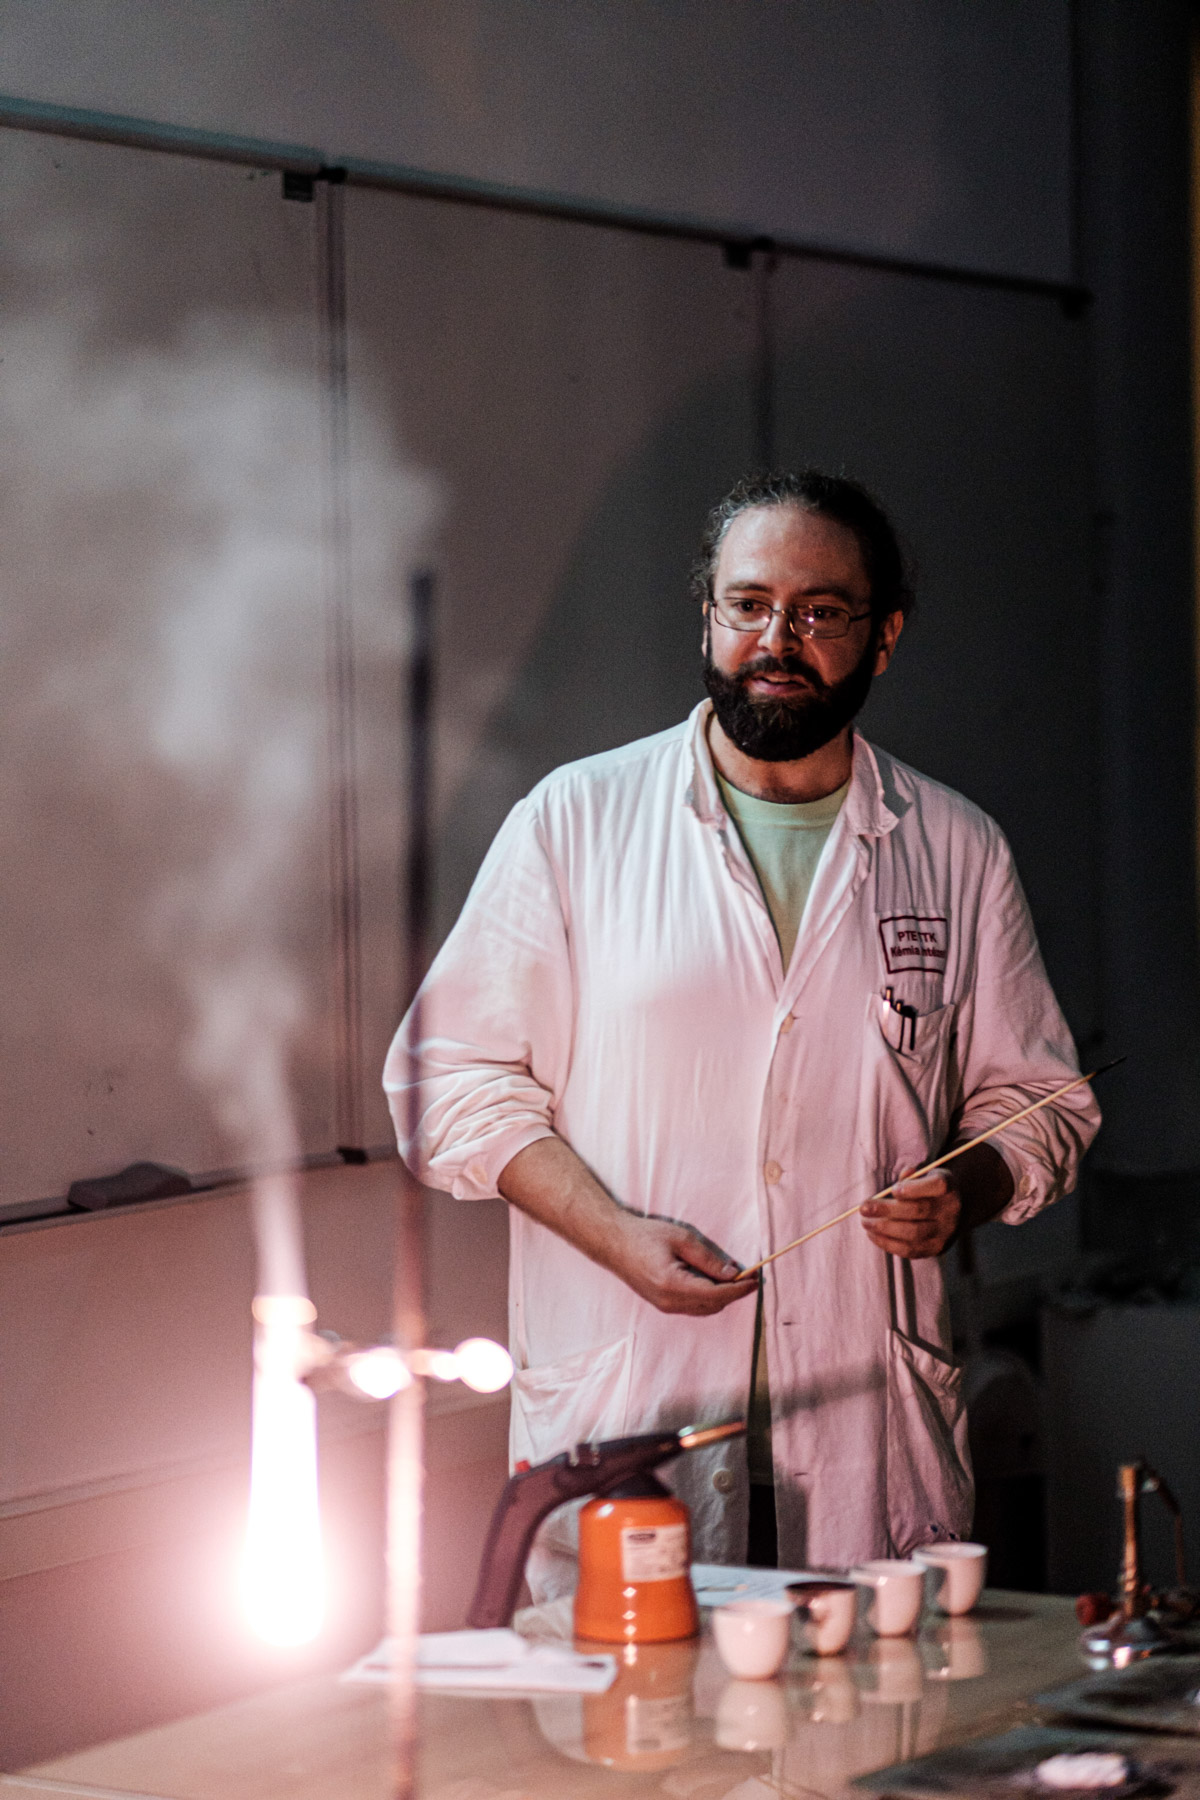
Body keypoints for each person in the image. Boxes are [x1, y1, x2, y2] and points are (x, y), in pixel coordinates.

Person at [385, 470, 1099, 1594]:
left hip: (869, 1427)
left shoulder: (954, 848)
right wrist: (613, 1233)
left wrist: (967, 1189)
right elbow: (450, 1081)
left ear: (883, 635)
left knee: (866, 1695)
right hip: (632, 1409)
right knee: (639, 1694)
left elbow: (1043, 1101)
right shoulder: (577, 821)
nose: (778, 639)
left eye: (820, 612)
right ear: (708, 616)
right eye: (749, 604)